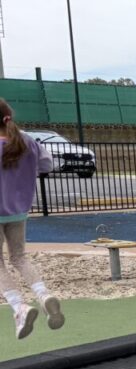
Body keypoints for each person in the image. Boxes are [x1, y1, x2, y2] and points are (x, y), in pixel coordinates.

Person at [0, 99, 63, 339]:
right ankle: (44, 295)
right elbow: (47, 165)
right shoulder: (26, 141)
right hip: (19, 211)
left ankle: (19, 307)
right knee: (19, 257)